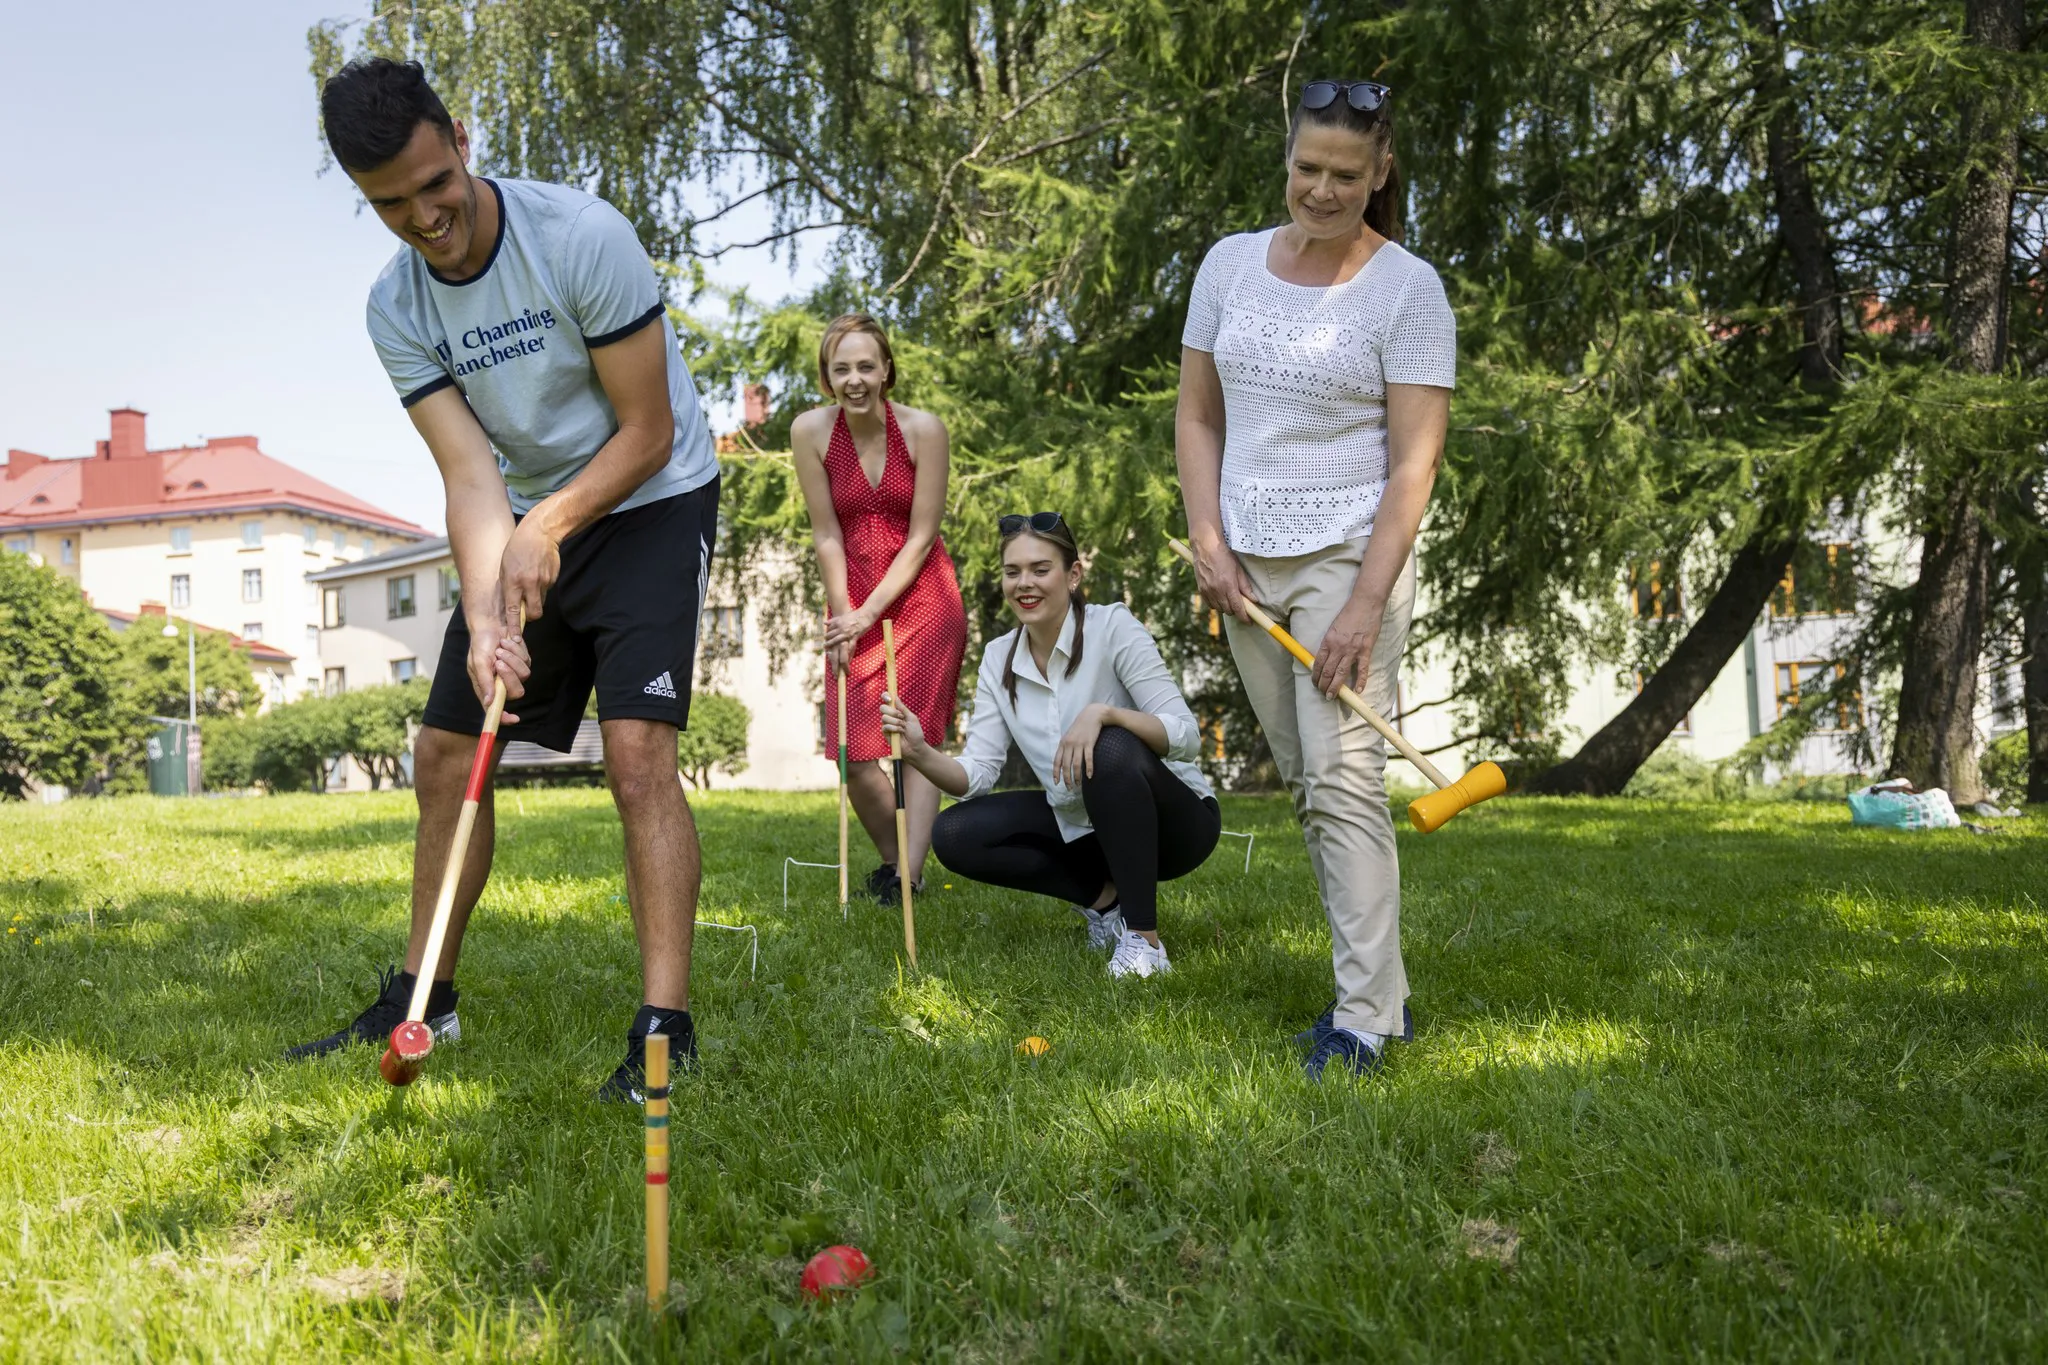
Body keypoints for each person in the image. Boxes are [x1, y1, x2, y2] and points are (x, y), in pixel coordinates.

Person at [285, 58, 721, 1100]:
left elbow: (648, 430)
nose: (425, 217)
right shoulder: (395, 308)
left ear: (463, 138)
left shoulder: (578, 237)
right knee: (445, 750)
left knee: (635, 755)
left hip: (652, 495)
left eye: (434, 183)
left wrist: (555, 523)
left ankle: (664, 1025)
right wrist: (485, 617)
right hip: (526, 513)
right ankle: (423, 995)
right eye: (390, 204)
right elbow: (471, 474)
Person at [1175, 79, 1455, 1078]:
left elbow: (1414, 464)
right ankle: (1380, 991)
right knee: (1306, 783)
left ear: (1378, 174)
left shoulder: (1407, 289)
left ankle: (1367, 1018)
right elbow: (1198, 415)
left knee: (1343, 782)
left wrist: (1363, 607)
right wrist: (1206, 536)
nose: (1322, 191)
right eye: (1306, 170)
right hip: (1244, 559)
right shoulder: (1226, 266)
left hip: (1349, 553)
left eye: (1345, 175)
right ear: (1285, 160)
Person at [881, 514, 1220, 977]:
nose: (1026, 583)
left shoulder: (1112, 628)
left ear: (1073, 575)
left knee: (1110, 747)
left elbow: (1186, 736)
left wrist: (1105, 714)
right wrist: (919, 751)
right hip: (1084, 827)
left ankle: (1145, 943)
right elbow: (977, 774)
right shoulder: (999, 657)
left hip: (1174, 827)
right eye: (1012, 571)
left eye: (1041, 569)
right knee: (954, 834)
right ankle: (1107, 905)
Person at [790, 314, 968, 904]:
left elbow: (921, 537)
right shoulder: (811, 432)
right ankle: (895, 861)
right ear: (827, 376)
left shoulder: (924, 430)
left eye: (867, 366)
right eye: (842, 368)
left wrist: (870, 614)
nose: (855, 379)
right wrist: (847, 617)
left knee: (911, 741)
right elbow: (826, 534)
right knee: (853, 752)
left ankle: (909, 882)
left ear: (887, 369)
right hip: (851, 597)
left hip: (922, 598)